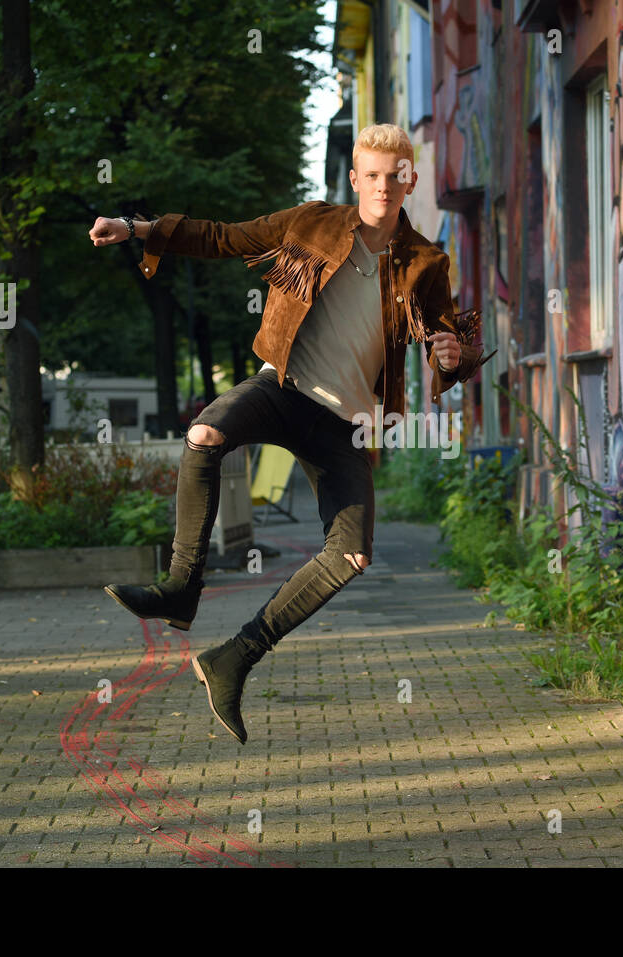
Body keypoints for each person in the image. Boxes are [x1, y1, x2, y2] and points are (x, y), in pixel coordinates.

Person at [87, 123, 489, 744]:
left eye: (395, 176)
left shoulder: (425, 262)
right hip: (284, 387)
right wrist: (137, 229)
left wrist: (452, 357)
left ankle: (234, 658)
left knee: (351, 554)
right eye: (372, 176)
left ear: (409, 181)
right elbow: (223, 237)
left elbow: (448, 345)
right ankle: (181, 586)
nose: (383, 186)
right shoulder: (311, 223)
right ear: (355, 179)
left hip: (345, 424)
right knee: (204, 435)